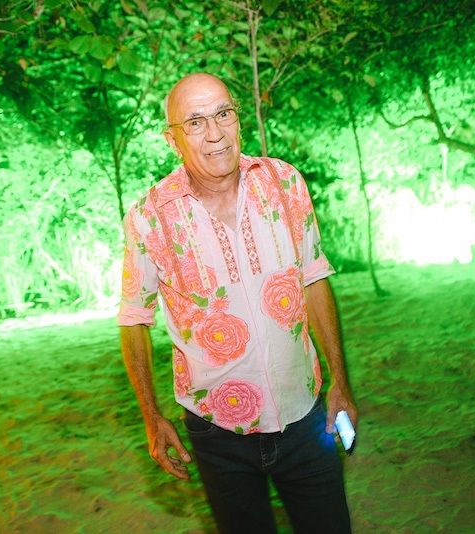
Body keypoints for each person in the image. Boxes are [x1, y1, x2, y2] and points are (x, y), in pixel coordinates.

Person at [118, 72, 356, 533]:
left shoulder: (285, 183)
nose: (215, 134)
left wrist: (340, 382)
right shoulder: (149, 218)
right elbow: (133, 318)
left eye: (224, 114)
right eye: (195, 122)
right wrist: (151, 416)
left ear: (238, 119)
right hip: (216, 432)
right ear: (172, 139)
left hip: (306, 416)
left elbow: (314, 279)